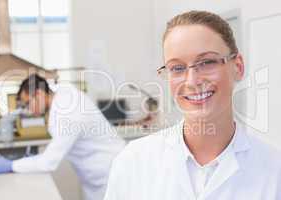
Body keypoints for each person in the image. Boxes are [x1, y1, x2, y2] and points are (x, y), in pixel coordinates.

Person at [104, 11, 281, 200]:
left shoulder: (274, 170)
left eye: (207, 62)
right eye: (177, 68)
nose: (192, 81)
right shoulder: (133, 161)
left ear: (237, 67)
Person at [0, 74, 126, 200]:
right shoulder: (63, 98)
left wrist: (11, 165)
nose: (28, 109)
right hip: (97, 175)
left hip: (111, 174)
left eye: (28, 103)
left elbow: (49, 162)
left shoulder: (66, 111)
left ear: (39, 94)